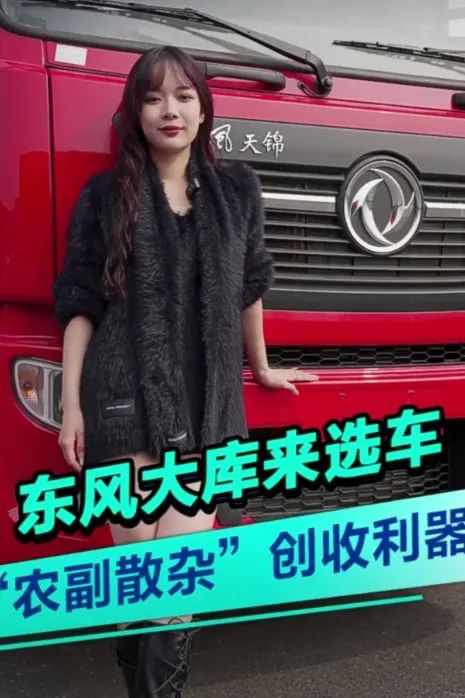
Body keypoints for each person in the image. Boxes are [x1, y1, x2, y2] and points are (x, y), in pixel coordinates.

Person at [53, 45, 318, 697]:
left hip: (206, 407)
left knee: (174, 588)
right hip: (121, 402)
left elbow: (249, 287)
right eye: (152, 98)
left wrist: (260, 366)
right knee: (137, 582)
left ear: (203, 110)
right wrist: (72, 407)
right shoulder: (104, 197)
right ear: (135, 113)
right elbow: (80, 305)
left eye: (182, 96)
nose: (168, 110)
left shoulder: (236, 191)